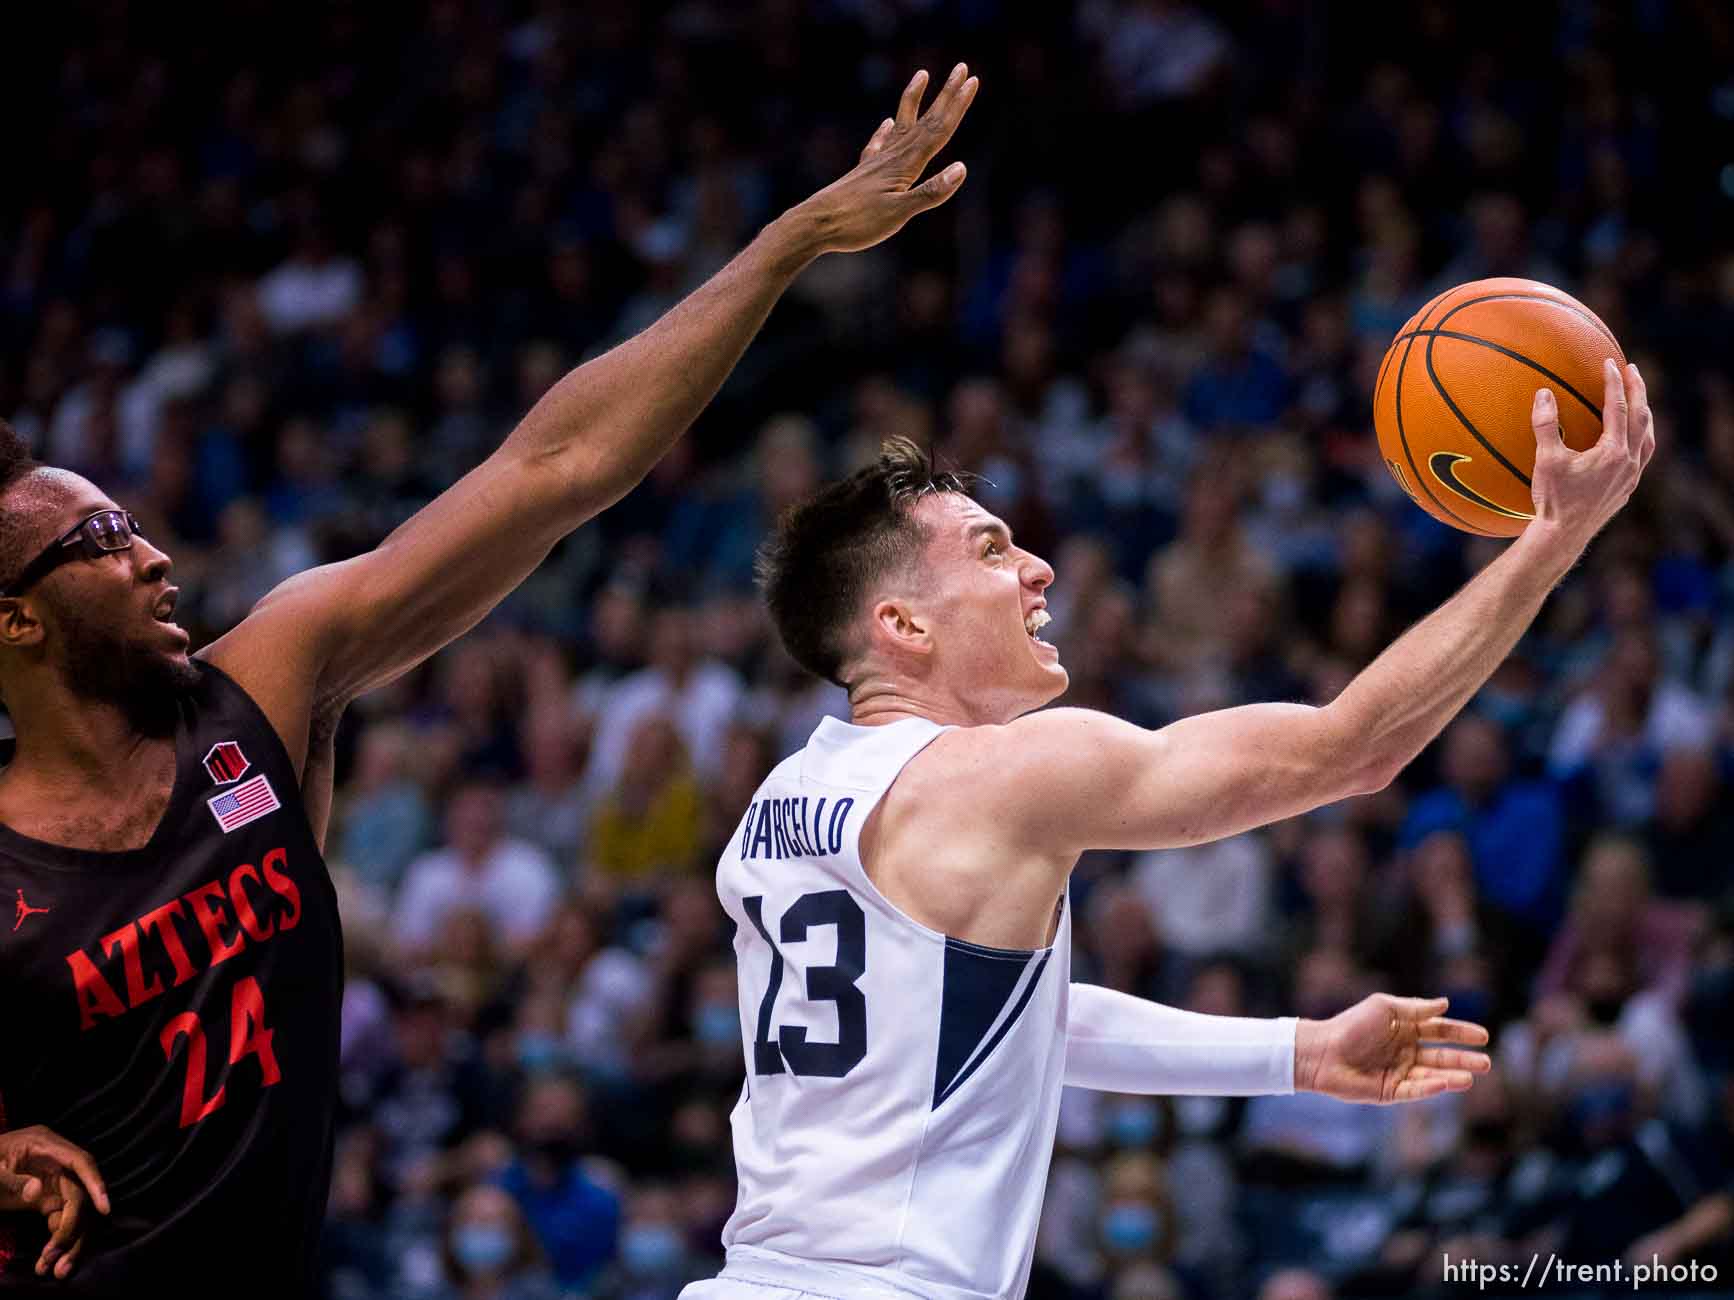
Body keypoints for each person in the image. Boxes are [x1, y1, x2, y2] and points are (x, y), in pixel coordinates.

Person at [0, 63, 980, 1295]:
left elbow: (552, 468)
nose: (149, 554)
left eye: (132, 520)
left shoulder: (260, 688)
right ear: (16, 622)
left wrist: (787, 245)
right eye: (95, 542)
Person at [688, 357, 1653, 1300]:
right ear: (903, 626)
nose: (1038, 567)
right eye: (990, 550)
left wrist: (1297, 1054)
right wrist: (1554, 539)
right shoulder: (1000, 775)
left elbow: (1024, 1023)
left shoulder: (774, 810)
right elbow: (1350, 751)